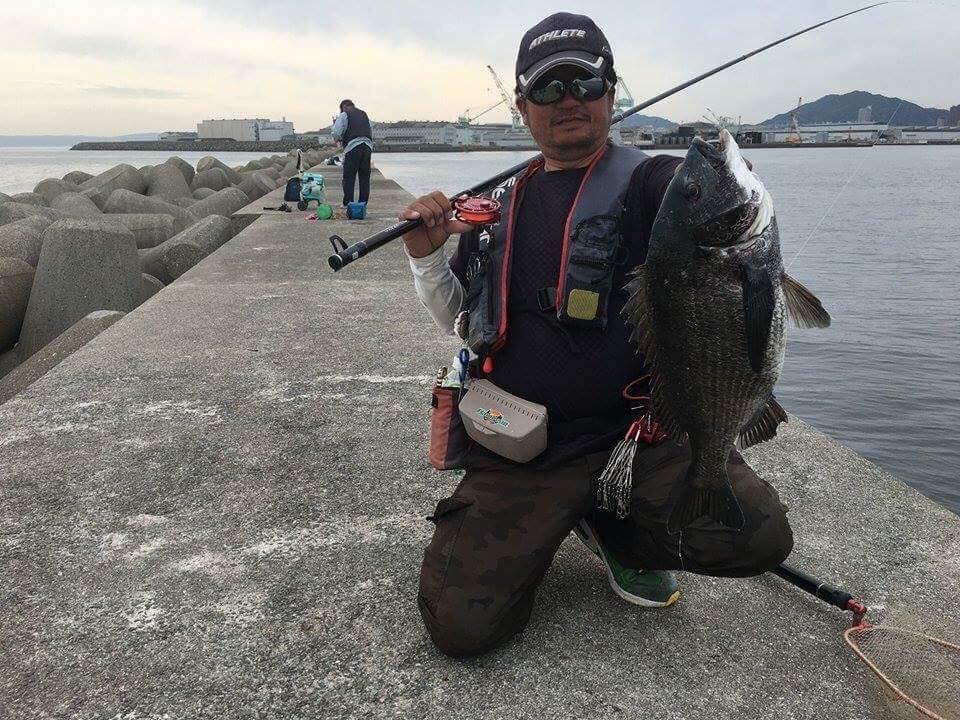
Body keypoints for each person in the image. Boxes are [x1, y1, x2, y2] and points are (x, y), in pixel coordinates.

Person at [400, 12, 793, 659]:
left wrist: (723, 184)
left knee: (757, 534)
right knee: (461, 629)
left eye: (585, 81)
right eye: (549, 89)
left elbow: (704, 200)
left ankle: (616, 528)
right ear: (523, 107)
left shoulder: (655, 187)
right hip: (524, 450)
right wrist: (424, 256)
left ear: (612, 91)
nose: (570, 100)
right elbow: (466, 326)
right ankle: (570, 516)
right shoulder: (499, 205)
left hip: (636, 439)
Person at [331, 99, 374, 207]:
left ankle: (348, 204)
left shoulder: (344, 114)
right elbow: (370, 129)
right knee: (364, 178)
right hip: (367, 146)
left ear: (343, 107)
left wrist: (339, 139)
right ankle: (362, 204)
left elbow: (336, 133)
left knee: (349, 177)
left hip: (353, 146)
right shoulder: (364, 114)